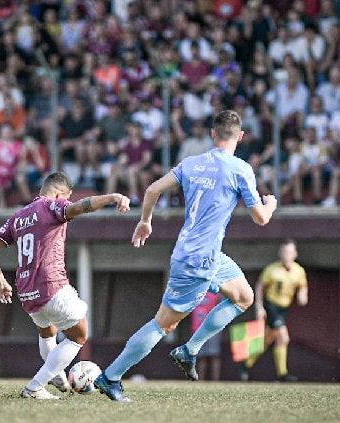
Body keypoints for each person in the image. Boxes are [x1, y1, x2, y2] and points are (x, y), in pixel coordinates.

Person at [94, 110, 278, 402]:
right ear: (240, 137)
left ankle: (190, 350)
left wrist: (145, 221)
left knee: (244, 296)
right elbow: (261, 219)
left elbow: (153, 189)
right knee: (163, 324)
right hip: (197, 259)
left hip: (205, 253)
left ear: (212, 134)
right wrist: (271, 204)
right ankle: (110, 376)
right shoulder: (241, 168)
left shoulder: (192, 163)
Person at [0, 171, 130, 400]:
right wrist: (112, 197)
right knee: (79, 335)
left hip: (26, 290)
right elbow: (82, 207)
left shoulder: (18, 216)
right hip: (50, 283)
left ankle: (57, 374)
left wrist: (1, 281)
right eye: (65, 198)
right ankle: (35, 386)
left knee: (47, 333)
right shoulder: (52, 207)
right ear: (60, 194)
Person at [240, 239, 308, 382]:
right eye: (284, 252)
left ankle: (246, 364)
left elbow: (302, 286)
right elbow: (260, 286)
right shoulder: (272, 269)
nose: (286, 255)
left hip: (284, 309)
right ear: (280, 253)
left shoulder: (299, 271)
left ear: (295, 254)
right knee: (283, 337)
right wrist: (259, 306)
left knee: (268, 339)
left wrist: (303, 294)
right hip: (271, 306)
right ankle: (283, 374)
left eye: (290, 252)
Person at [190, 291, 224, 381]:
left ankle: (215, 381)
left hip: (213, 328)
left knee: (214, 354)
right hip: (198, 328)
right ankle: (200, 380)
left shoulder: (217, 294)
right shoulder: (196, 293)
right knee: (200, 357)